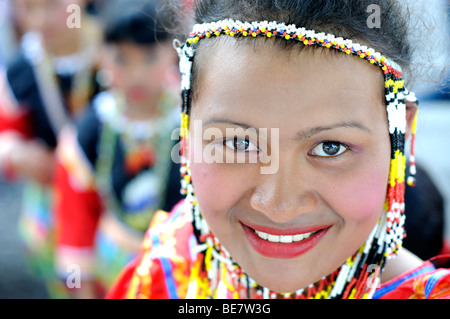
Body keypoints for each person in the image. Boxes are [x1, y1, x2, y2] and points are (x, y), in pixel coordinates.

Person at [107, 0, 450, 299]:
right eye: (239, 144)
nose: (278, 206)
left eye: (330, 147)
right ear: (187, 123)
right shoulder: (159, 275)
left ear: (399, 134)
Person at [53, 0, 183, 298]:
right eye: (122, 59)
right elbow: (77, 212)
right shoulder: (93, 127)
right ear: (101, 57)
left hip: (179, 266)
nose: (136, 73)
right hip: (113, 266)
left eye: (149, 57)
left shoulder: (189, 122)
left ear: (171, 52)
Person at [0, 0, 101, 298]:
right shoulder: (21, 69)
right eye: (29, 8)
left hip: (109, 201)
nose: (41, 18)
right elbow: (7, 129)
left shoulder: (112, 51)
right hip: (53, 201)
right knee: (66, 282)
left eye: (52, 5)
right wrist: (15, 153)